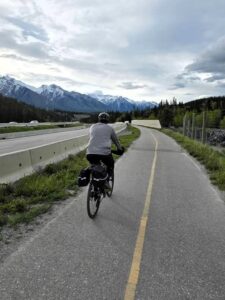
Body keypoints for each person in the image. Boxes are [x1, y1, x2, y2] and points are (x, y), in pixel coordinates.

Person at [86, 112, 124, 177]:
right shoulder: (110, 128)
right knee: (110, 164)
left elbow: (93, 137)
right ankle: (108, 178)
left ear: (99, 119)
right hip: (104, 153)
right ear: (108, 120)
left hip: (90, 153)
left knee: (94, 165)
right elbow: (116, 141)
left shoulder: (92, 126)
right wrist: (119, 149)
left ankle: (92, 182)